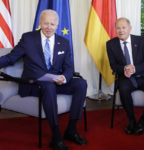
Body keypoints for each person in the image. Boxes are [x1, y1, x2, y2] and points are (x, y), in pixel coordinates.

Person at [0, 9, 87, 150]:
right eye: (45, 23)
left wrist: (64, 77)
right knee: (48, 86)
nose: (49, 27)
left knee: (81, 83)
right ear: (40, 23)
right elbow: (11, 58)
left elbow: (69, 68)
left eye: (52, 24)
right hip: (33, 84)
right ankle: (56, 136)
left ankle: (71, 130)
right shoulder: (28, 39)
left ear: (57, 25)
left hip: (54, 83)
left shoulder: (63, 42)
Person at [106, 17, 144, 135]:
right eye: (118, 28)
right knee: (124, 89)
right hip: (125, 77)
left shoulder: (141, 40)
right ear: (115, 29)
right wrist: (124, 68)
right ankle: (131, 120)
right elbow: (113, 65)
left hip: (143, 75)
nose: (121, 30)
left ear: (130, 29)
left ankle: (143, 120)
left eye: (124, 27)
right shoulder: (110, 44)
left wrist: (134, 68)